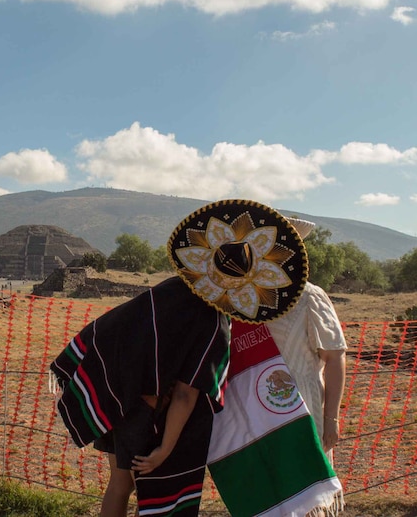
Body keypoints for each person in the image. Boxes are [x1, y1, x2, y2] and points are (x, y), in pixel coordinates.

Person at [51, 199, 310, 517]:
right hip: (145, 413)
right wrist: (165, 450)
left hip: (115, 393)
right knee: (154, 493)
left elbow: (113, 331)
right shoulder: (213, 321)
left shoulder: (171, 289)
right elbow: (187, 394)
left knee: (120, 485)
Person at [265, 218, 347, 460]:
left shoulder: (309, 296)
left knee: (307, 482)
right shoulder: (244, 300)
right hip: (257, 407)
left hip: (303, 406)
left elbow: (334, 357)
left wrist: (331, 418)